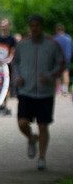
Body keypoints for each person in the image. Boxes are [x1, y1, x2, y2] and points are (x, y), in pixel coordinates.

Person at [13, 15, 66, 170]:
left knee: (43, 125)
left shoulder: (52, 44)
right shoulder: (22, 44)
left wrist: (50, 76)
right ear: (29, 27)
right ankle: (31, 138)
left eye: (37, 25)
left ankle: (42, 157)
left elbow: (61, 63)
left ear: (42, 27)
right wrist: (18, 76)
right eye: (32, 25)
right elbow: (15, 62)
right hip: (26, 90)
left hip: (45, 92)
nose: (34, 28)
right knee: (22, 123)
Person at [53, 23, 72, 96]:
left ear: (57, 30)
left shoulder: (54, 38)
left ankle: (58, 90)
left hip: (57, 58)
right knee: (66, 73)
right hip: (67, 58)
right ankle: (65, 90)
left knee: (57, 75)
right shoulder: (69, 38)